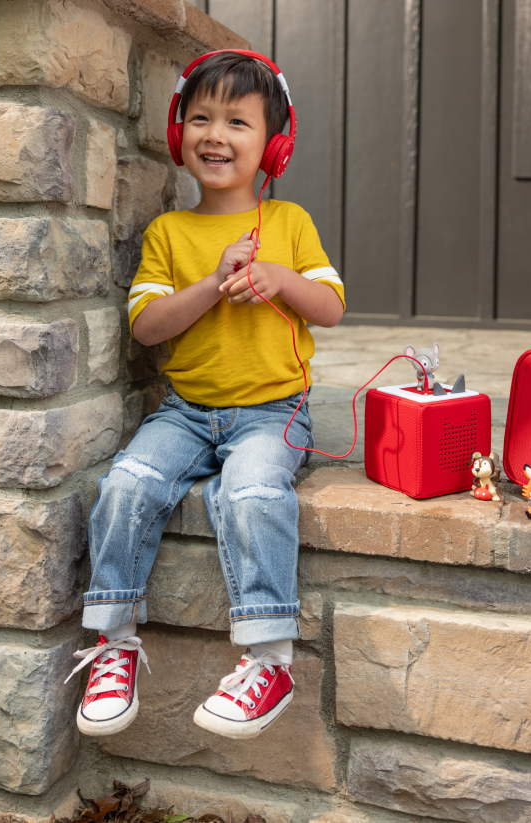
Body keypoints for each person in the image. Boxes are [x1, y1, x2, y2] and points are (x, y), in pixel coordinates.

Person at [65, 51, 345, 740]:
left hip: (273, 412)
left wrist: (279, 278)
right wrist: (210, 284)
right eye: (201, 118)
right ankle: (114, 643)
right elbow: (147, 325)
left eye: (238, 122)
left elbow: (332, 306)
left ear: (274, 144)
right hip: (186, 412)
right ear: (177, 132)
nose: (215, 134)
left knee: (251, 491)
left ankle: (269, 659)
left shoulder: (291, 225)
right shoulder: (169, 232)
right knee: (127, 482)